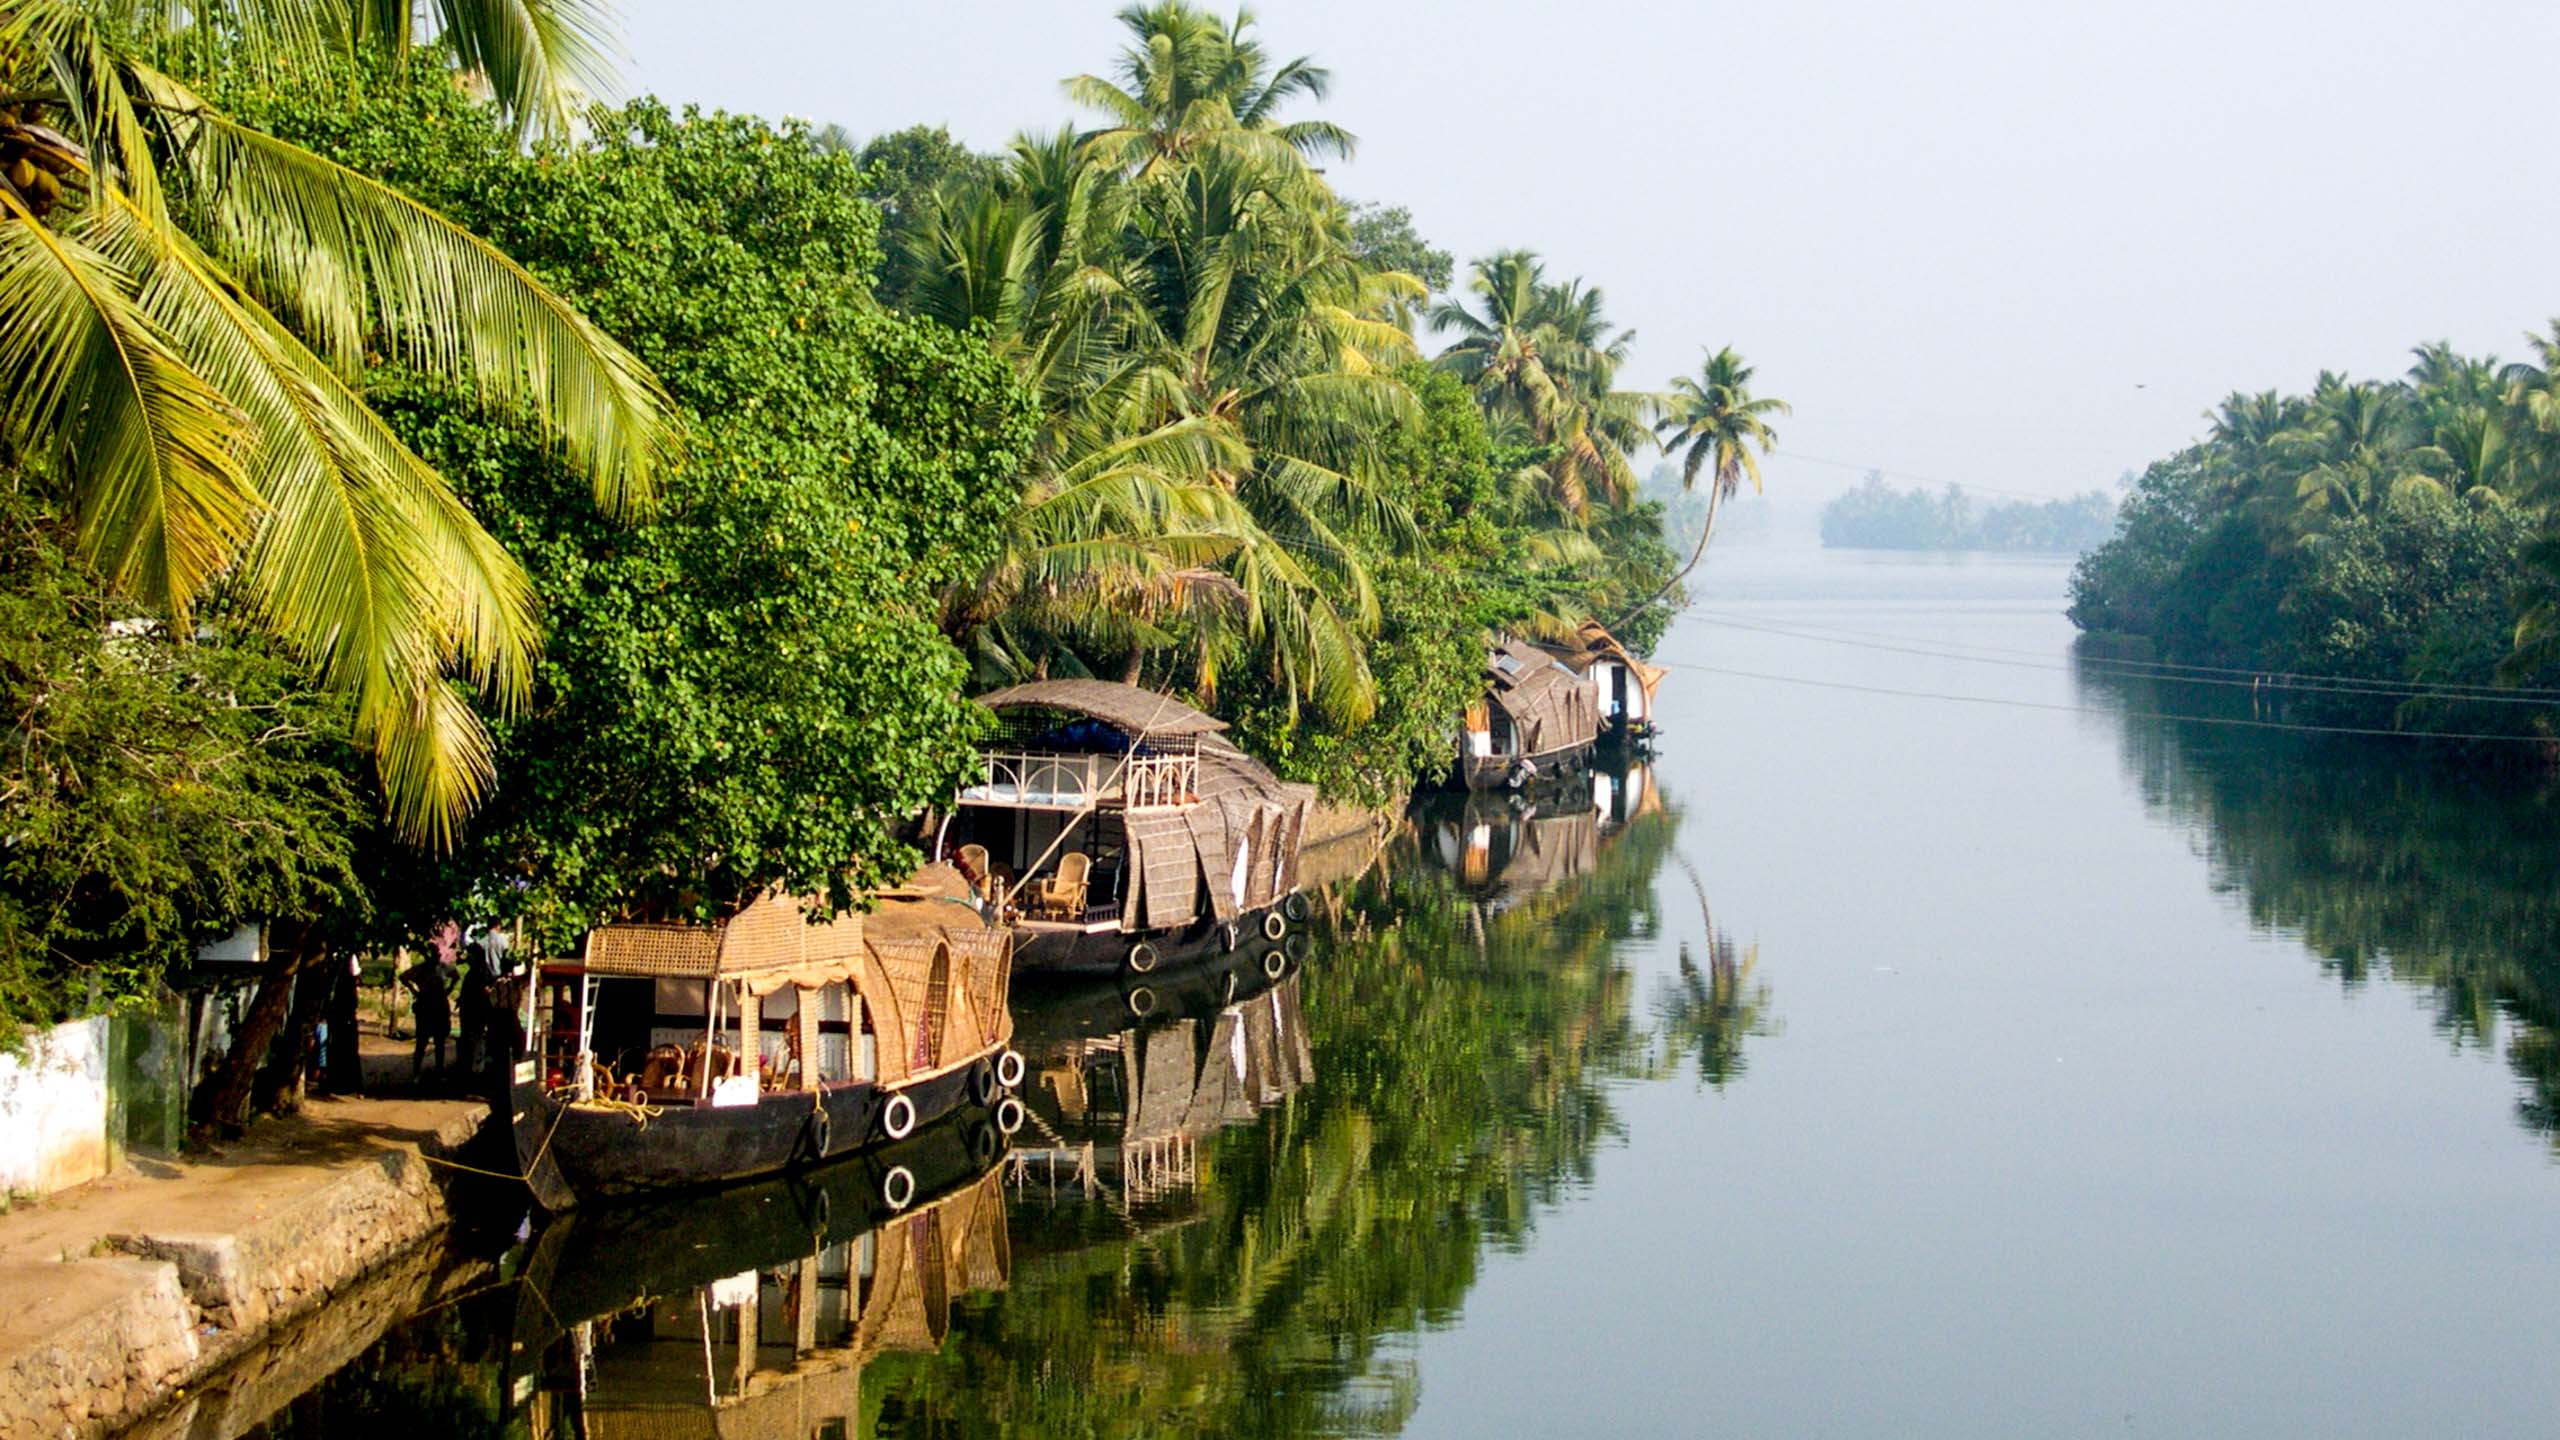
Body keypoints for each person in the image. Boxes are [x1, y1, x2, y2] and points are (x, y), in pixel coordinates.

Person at [402, 952, 453, 1081]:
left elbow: (456, 975)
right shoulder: (421, 969)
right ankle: (416, 1072)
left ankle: (438, 1072)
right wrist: (415, 992)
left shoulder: (442, 967)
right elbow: (403, 977)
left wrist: (449, 990)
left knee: (439, 1042)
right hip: (426, 1006)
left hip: (438, 1007)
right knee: (422, 1042)